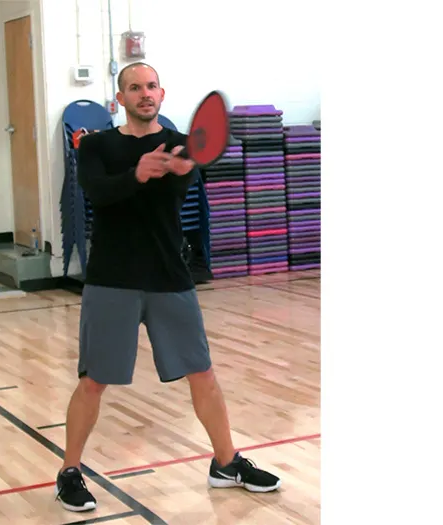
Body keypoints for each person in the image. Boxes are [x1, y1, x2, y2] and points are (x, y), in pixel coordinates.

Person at [54, 62, 282, 513]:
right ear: (119, 99)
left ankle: (226, 462)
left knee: (204, 373)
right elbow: (96, 192)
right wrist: (136, 173)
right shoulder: (96, 146)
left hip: (168, 277)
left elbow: (180, 187)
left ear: (162, 94)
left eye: (151, 86)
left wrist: (179, 167)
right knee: (93, 381)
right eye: (134, 87)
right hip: (111, 278)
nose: (145, 93)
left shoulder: (180, 145)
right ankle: (69, 472)